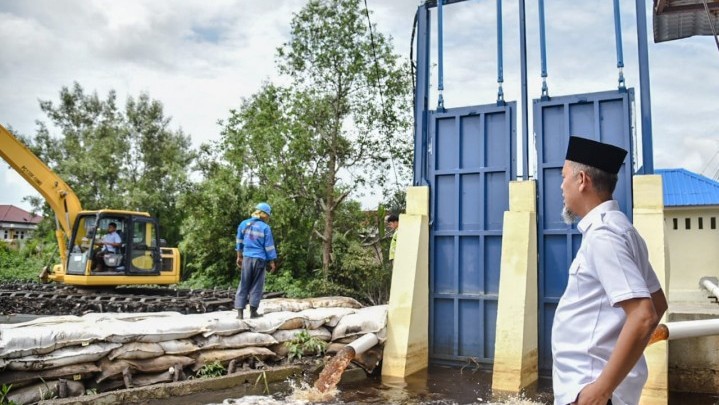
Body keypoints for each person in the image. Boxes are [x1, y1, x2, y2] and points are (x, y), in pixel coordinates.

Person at [551, 136, 668, 405]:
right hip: (602, 391)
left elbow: (644, 315)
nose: (561, 185)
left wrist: (601, 389)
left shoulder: (605, 235)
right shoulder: (623, 230)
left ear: (582, 180)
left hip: (594, 391)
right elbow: (658, 303)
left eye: (564, 176)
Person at [234, 202, 277, 319]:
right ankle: (253, 313)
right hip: (259, 259)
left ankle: (240, 314)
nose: (268, 218)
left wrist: (239, 256)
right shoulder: (265, 228)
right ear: (264, 215)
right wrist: (272, 261)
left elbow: (239, 242)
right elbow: (269, 246)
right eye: (268, 215)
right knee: (257, 285)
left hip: (247, 258)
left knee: (244, 283)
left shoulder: (243, 224)